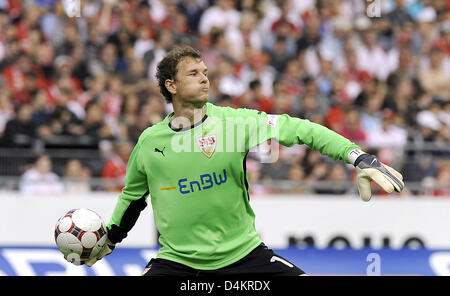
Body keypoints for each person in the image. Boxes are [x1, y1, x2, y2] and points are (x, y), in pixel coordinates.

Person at [83, 45, 404, 275]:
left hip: (245, 257)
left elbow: (302, 130)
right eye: (193, 73)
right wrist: (111, 237)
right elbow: (133, 196)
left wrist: (357, 156)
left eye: (205, 72)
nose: (204, 78)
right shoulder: (150, 142)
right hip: (177, 262)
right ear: (171, 85)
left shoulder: (236, 123)